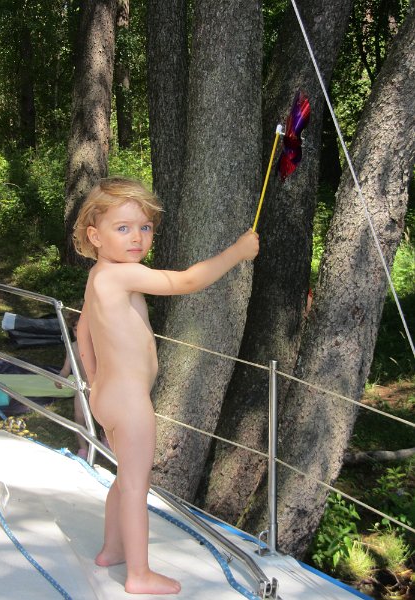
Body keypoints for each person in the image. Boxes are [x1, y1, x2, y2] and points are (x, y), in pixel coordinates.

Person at [73, 176, 259, 595]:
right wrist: (238, 252)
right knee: (136, 485)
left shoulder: (99, 276)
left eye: (145, 227)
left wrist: (94, 380)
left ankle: (111, 550)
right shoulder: (124, 276)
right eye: (123, 228)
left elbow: (83, 330)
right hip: (130, 402)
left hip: (108, 396)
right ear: (95, 236)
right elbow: (185, 282)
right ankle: (139, 574)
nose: (137, 237)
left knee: (124, 477)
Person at [55, 313, 89, 459]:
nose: (79, 333)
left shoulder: (97, 345)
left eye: (83, 330)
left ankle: (106, 439)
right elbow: (65, 369)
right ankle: (83, 447)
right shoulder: (73, 348)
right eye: (75, 330)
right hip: (81, 387)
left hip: (99, 386)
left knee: (105, 416)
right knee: (79, 416)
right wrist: (60, 378)